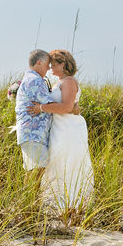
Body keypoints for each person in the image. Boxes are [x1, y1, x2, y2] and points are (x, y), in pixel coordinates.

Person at [27, 49, 94, 218]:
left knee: (68, 161)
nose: (50, 68)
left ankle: (72, 205)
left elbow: (66, 107)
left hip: (69, 129)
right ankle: (55, 204)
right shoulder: (58, 82)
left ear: (63, 64)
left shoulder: (69, 81)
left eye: (53, 64)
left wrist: (40, 108)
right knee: (55, 162)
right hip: (57, 127)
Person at [13, 50, 55, 178]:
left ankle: (29, 197)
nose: (49, 68)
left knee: (34, 171)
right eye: (47, 64)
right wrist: (70, 106)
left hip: (32, 134)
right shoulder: (35, 80)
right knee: (37, 171)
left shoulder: (30, 79)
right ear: (39, 62)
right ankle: (29, 198)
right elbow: (51, 104)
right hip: (33, 133)